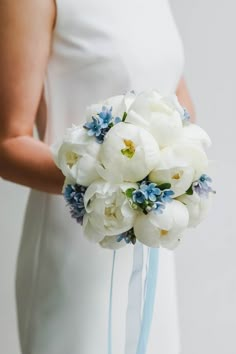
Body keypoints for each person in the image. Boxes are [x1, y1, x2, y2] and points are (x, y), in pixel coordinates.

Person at [0, 1, 195, 353]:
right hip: (73, 243)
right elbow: (8, 143)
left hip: (151, 241)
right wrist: (112, 187)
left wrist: (175, 174)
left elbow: (180, 108)